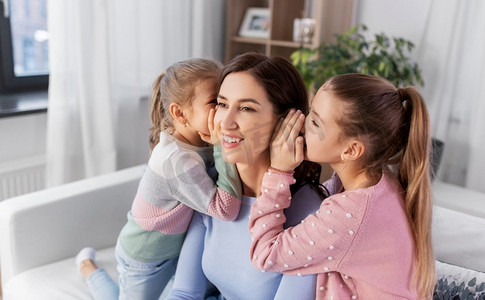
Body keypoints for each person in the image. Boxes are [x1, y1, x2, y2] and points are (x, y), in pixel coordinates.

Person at [248, 73, 436, 299]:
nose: (302, 124)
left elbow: (265, 255)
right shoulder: (375, 182)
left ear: (351, 150)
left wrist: (279, 172)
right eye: (310, 111)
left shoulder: (352, 213)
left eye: (316, 122)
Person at [75, 58, 242, 300]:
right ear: (179, 113)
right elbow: (224, 209)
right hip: (144, 258)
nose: (223, 112)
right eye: (215, 102)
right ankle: (88, 269)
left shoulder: (200, 142)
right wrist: (221, 148)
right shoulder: (176, 160)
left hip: (172, 251)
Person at [165, 52, 326, 300]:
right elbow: (185, 293)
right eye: (221, 104)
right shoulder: (212, 192)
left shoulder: (311, 216)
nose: (226, 122)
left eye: (246, 108)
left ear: (286, 122)